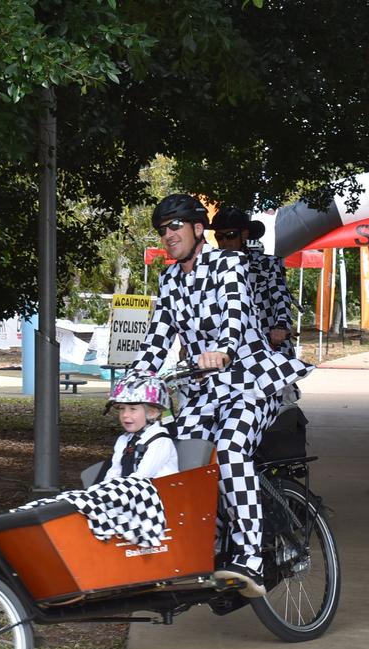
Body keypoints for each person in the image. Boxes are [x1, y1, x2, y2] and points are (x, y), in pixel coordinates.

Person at [131, 193, 312, 597]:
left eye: (175, 226)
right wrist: (133, 383)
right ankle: (206, 544)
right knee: (181, 459)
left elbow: (236, 312)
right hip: (203, 391)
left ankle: (249, 555)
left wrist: (225, 349)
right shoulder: (170, 279)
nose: (168, 236)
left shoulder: (228, 264)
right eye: (163, 230)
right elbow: (156, 341)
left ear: (198, 229)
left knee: (230, 449)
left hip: (250, 382)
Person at [17, 371, 177, 549]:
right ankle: (31, 516)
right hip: (126, 496)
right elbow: (113, 473)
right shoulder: (124, 440)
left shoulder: (160, 441)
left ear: (153, 412)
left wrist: (102, 497)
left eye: (133, 409)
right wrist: (98, 493)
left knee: (89, 501)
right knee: (72, 500)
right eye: (122, 409)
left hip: (149, 500)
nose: (125, 415)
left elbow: (140, 479)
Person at [208, 207, 295, 356]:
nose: (224, 242)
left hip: (266, 342)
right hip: (226, 346)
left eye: (230, 235)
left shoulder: (267, 263)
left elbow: (281, 297)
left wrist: (281, 325)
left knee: (279, 376)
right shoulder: (209, 268)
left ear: (244, 235)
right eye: (219, 236)